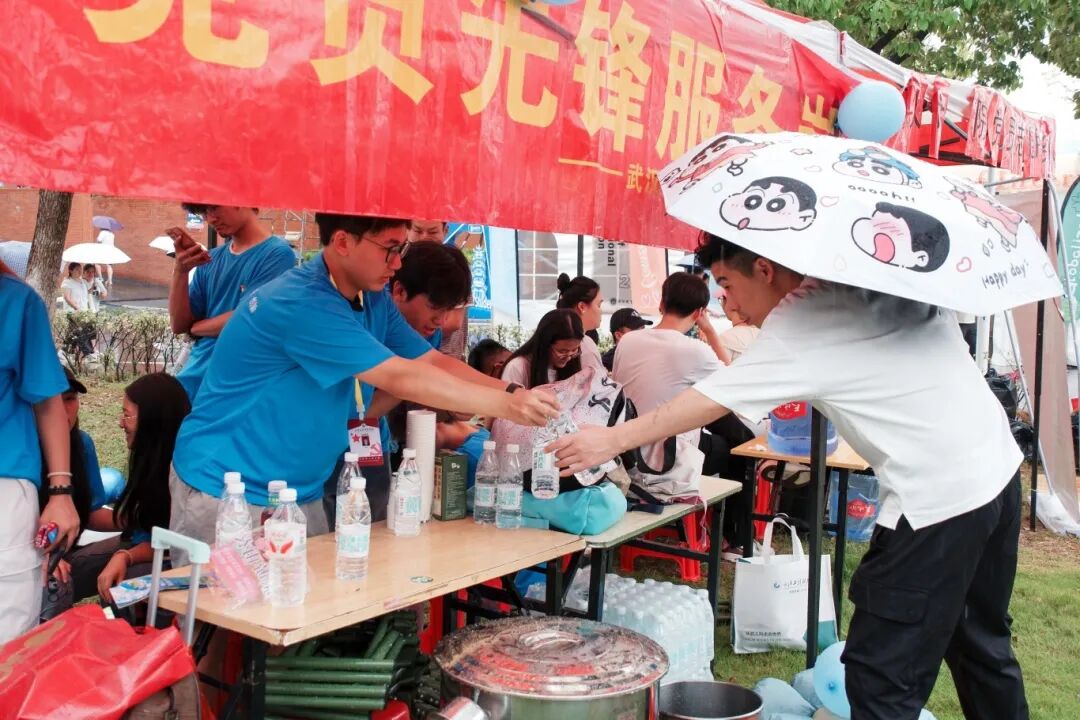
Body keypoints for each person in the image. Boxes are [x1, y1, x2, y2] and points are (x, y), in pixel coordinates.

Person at [551, 233, 1029, 720]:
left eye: (727, 284)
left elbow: (710, 399)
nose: (728, 303)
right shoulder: (875, 277)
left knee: (881, 680)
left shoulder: (802, 318)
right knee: (981, 648)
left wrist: (611, 439)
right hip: (997, 472)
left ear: (765, 269)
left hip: (935, 504)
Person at [168, 213, 557, 565]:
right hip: (227, 491)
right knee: (224, 614)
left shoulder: (370, 300)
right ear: (342, 242)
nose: (397, 263)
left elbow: (431, 361)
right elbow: (401, 377)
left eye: (400, 249)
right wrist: (507, 407)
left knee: (297, 609)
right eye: (390, 248)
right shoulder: (303, 303)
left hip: (296, 492)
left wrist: (513, 392)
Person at [0, 259, 79, 644]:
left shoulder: (16, 302)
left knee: (7, 641)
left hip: (5, 493)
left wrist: (61, 493)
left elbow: (49, 402)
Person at [168, 204, 296, 400]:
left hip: (238, 387)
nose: (210, 219)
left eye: (214, 208)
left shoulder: (277, 255)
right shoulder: (211, 259)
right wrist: (180, 271)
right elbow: (178, 325)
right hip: (193, 381)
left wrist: (195, 328)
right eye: (205, 212)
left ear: (243, 200)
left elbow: (248, 317)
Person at [406, 219, 469, 359]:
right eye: (418, 231)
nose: (424, 238)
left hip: (445, 356)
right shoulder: (399, 263)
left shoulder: (454, 266)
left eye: (432, 232)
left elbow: (453, 322)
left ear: (445, 231)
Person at [501, 309, 584, 389]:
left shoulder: (572, 364)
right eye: (562, 351)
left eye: (574, 350)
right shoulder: (518, 367)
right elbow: (508, 398)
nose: (568, 357)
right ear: (545, 344)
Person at [555, 273, 606, 373]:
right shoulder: (586, 345)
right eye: (598, 305)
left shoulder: (554, 335)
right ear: (582, 307)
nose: (601, 311)